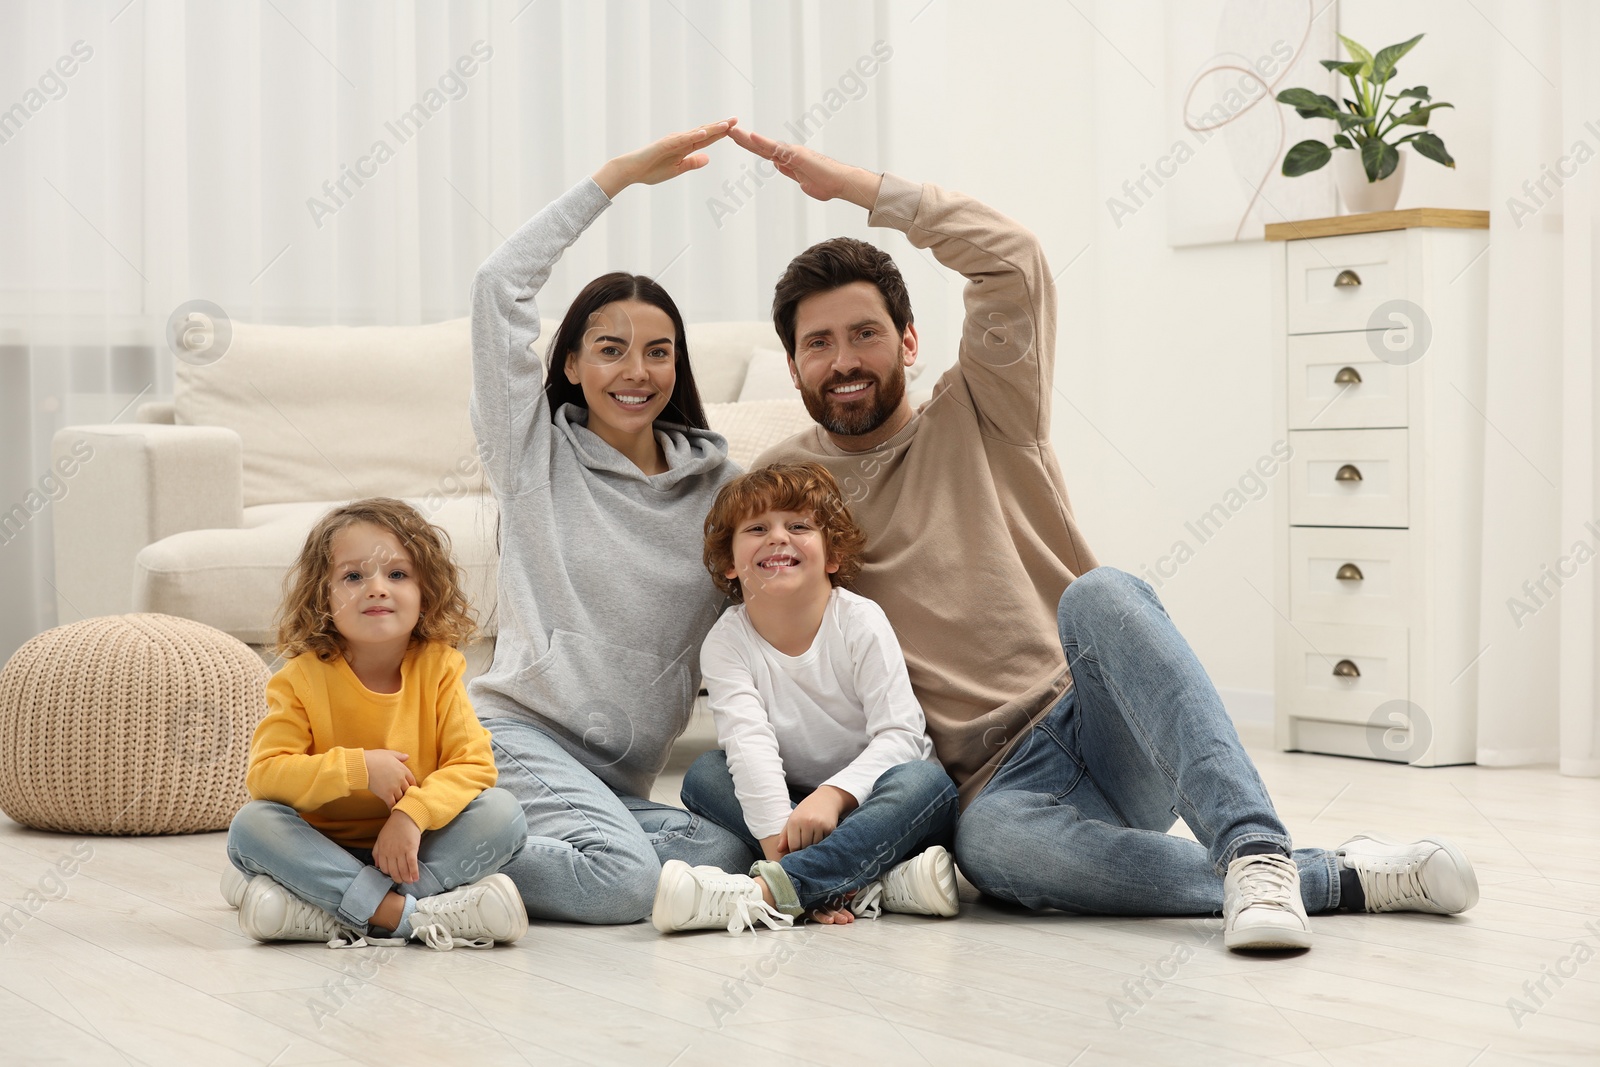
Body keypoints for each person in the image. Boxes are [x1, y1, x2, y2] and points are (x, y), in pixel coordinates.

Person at [729, 125, 1480, 952]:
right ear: (794, 366)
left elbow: (1012, 260)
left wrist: (860, 187)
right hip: (991, 785)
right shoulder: (781, 493)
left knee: (1103, 594)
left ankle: (1254, 848)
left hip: (1098, 715)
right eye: (818, 344)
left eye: (864, 333)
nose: (844, 360)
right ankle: (1338, 876)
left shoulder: (985, 404)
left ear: (908, 340)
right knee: (994, 855)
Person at [466, 120, 757, 925]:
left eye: (658, 352)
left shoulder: (725, 489)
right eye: (610, 348)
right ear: (570, 363)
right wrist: (616, 178)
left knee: (723, 856)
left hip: (620, 780)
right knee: (624, 884)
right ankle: (403, 855)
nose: (636, 371)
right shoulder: (530, 451)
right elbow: (498, 286)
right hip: (515, 735)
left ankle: (467, 838)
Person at [654, 462, 960, 933]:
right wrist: (780, 846)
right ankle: (863, 882)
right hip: (794, 814)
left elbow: (900, 735)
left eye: (799, 527)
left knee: (927, 783)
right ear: (731, 563)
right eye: (758, 528)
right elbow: (749, 744)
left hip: (877, 806)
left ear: (832, 555)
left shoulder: (859, 620)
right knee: (704, 776)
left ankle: (770, 892)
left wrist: (835, 795)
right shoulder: (726, 642)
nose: (779, 537)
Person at [225, 498, 529, 951]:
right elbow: (266, 776)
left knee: (504, 814)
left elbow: (474, 766)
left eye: (398, 574)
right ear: (322, 597)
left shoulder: (440, 668)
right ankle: (406, 917)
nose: (376, 588)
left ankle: (333, 910)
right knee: (252, 826)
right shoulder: (300, 679)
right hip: (323, 851)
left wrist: (412, 813)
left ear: (426, 591)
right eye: (353, 576)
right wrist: (357, 769)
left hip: (415, 853)